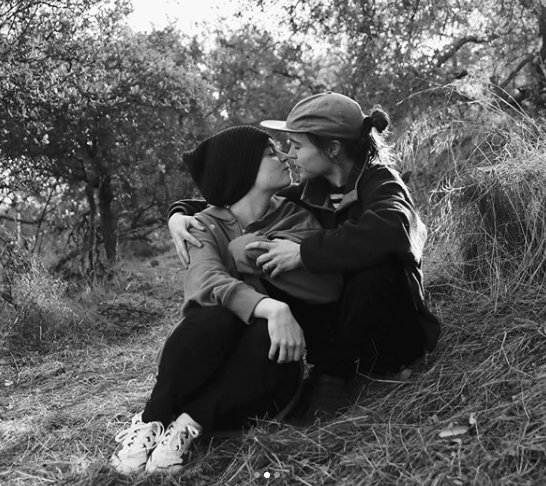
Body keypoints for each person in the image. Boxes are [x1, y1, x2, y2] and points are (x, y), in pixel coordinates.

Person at [168, 92, 442, 407]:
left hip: (391, 328)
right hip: (336, 322)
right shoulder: (310, 190)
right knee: (259, 253)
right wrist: (179, 213)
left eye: (298, 146)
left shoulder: (380, 182)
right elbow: (239, 191)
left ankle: (333, 375)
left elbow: (393, 229)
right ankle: (316, 367)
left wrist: (302, 252)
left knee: (373, 269)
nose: (289, 154)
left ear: (333, 149)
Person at [110, 125, 344, 476]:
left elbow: (326, 285)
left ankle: (188, 425)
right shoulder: (202, 225)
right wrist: (272, 306)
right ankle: (152, 419)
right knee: (214, 316)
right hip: (199, 366)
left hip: (262, 377)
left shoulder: (297, 215)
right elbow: (206, 280)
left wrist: (265, 286)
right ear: (243, 169)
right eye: (270, 153)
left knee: (266, 332)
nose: (284, 156)